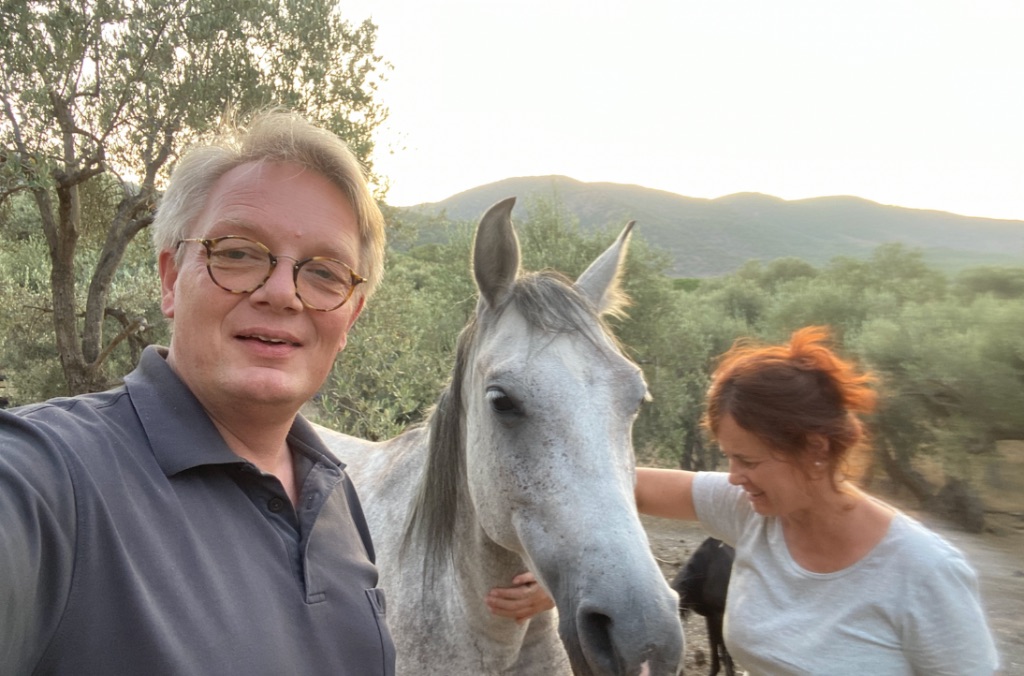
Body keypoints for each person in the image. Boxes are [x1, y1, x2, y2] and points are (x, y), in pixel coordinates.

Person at [0, 110, 396, 675]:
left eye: (326, 273)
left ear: (350, 318)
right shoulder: (48, 480)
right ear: (170, 279)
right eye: (237, 252)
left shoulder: (334, 494)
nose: (283, 293)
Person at [489, 326, 1000, 675]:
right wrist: (576, 575)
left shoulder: (925, 571)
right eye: (729, 458)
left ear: (816, 449)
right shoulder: (754, 512)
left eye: (749, 461)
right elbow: (615, 484)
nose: (734, 478)